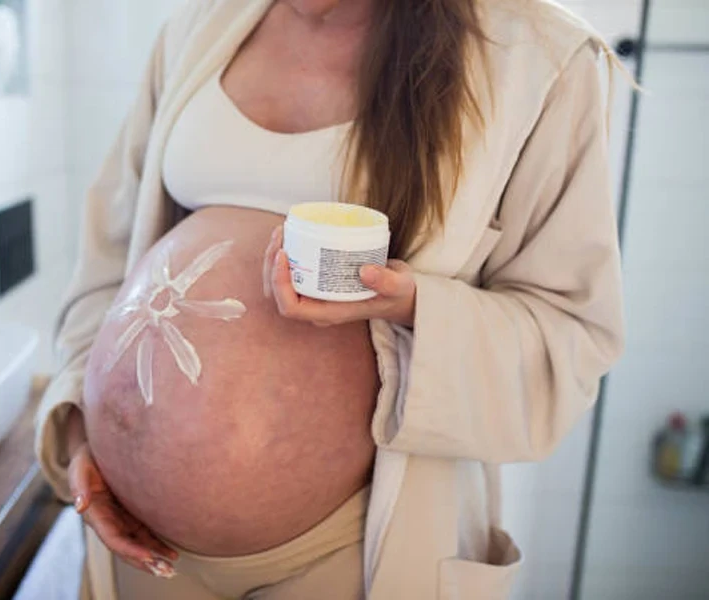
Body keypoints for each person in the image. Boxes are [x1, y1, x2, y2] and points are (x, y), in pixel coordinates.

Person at [35, 0, 626, 598]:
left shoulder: (539, 58)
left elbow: (570, 340)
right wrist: (83, 433)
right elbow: (106, 263)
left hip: (353, 554)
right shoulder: (197, 28)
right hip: (144, 544)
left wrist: (410, 305)